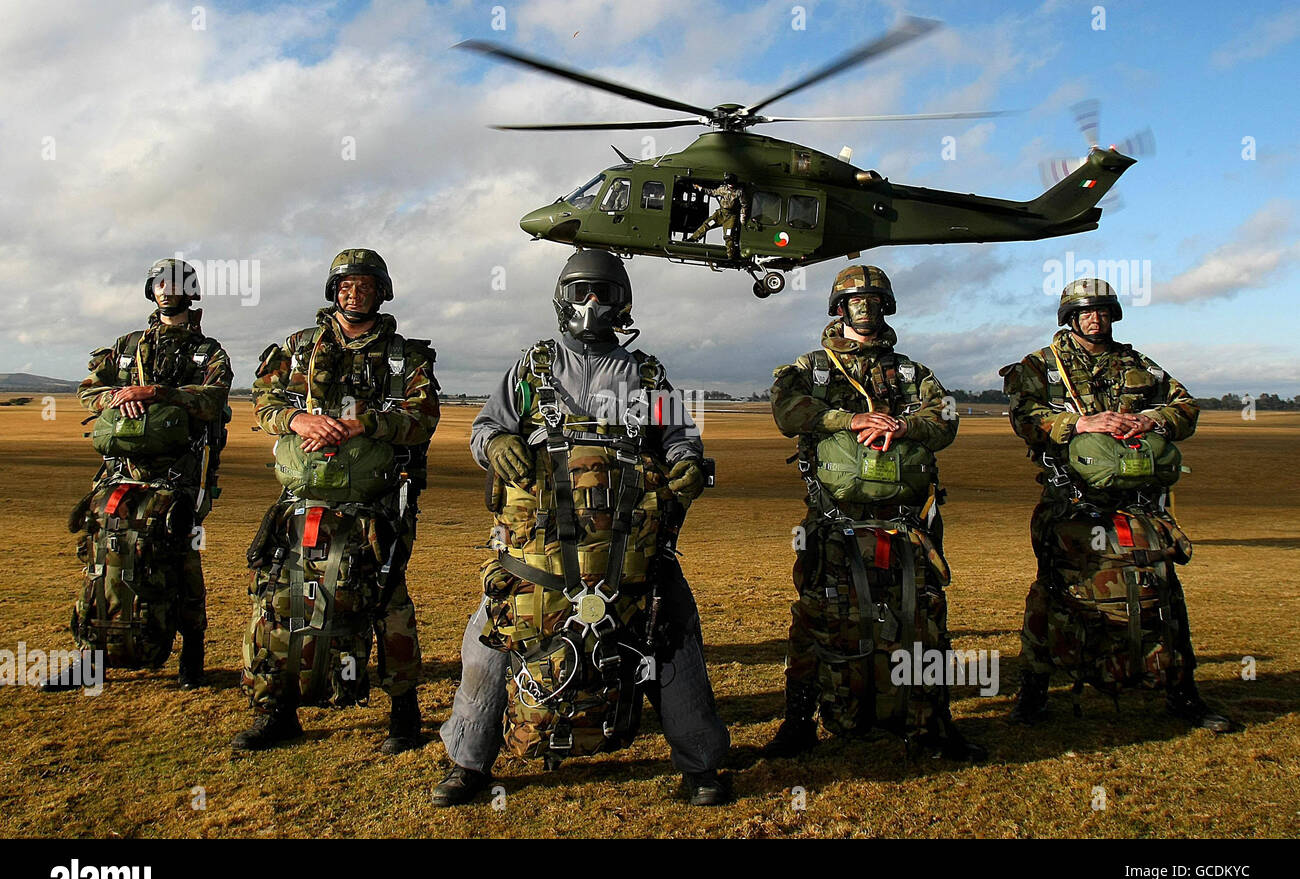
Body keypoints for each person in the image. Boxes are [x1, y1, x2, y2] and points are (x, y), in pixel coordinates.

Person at [433, 248, 731, 806]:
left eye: (606, 293)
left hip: (630, 549)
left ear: (623, 303)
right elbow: (485, 428)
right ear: (561, 299)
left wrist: (687, 460)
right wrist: (496, 443)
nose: (592, 303)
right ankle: (467, 760)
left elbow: (679, 439)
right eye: (581, 292)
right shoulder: (532, 368)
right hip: (537, 552)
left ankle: (701, 766)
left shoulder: (646, 374)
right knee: (490, 640)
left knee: (674, 634)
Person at [767, 264, 982, 759]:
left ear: (886, 306)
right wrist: (849, 418)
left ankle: (932, 726)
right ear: (839, 308)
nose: (865, 308)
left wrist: (904, 427)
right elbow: (787, 411)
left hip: (906, 523)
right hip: (834, 519)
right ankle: (798, 723)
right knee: (817, 616)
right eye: (855, 300)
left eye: (874, 299)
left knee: (923, 617)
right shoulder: (809, 368)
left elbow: (946, 418)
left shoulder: (911, 372)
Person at [234, 249, 440, 753]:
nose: (355, 292)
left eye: (365, 284)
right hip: (302, 499)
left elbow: (423, 417)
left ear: (381, 290)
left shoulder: (405, 356)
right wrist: (298, 420)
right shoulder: (297, 348)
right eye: (346, 284)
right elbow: (263, 401)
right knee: (279, 601)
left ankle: (403, 715)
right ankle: (278, 712)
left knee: (387, 602)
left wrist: (362, 423)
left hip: (375, 504)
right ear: (333, 291)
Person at [1001, 278, 1230, 731]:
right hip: (1071, 501)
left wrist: (1150, 418)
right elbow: (1025, 419)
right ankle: (1034, 691)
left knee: (1163, 590)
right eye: (1085, 311)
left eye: (1103, 310)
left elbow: (1185, 407)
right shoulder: (1040, 366)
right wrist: (1079, 422)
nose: (1094, 318)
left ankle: (1183, 693)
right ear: (1069, 317)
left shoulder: (1138, 364)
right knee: (1053, 591)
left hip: (1138, 503)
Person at [49, 258, 231, 692]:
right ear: (152, 291)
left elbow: (213, 398)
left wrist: (156, 392)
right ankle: (90, 660)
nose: (169, 291)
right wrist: (115, 396)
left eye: (178, 284)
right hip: (119, 473)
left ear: (192, 291)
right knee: (101, 559)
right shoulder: (127, 346)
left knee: (181, 560)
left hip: (178, 476)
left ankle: (192, 656)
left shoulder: (208, 352)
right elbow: (87, 390)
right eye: (161, 284)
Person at [685, 173, 748, 261]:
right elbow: (712, 192)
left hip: (731, 217)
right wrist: (700, 188)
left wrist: (742, 216)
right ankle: (692, 239)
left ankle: (731, 256)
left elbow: (744, 205)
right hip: (720, 214)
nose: (731, 185)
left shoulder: (739, 192)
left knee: (728, 236)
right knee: (707, 224)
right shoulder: (723, 189)